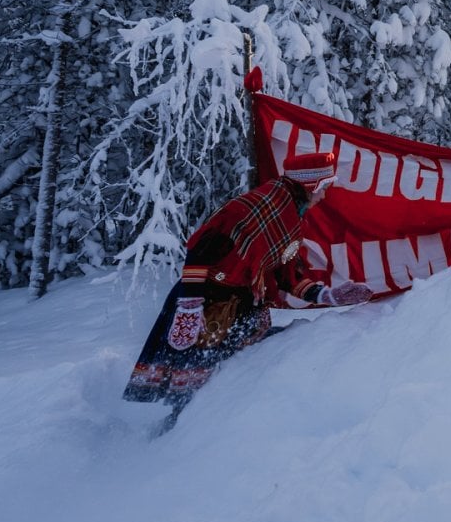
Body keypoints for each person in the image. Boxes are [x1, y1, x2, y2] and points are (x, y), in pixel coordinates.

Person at [123, 150, 373, 423]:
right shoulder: (250, 209)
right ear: (309, 185)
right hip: (206, 301)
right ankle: (179, 436)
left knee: (229, 377)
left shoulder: (289, 219)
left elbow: (287, 276)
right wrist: (190, 305)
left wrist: (328, 295)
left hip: (241, 305)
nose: (325, 195)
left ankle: (205, 427)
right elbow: (199, 251)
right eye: (325, 187)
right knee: (194, 383)